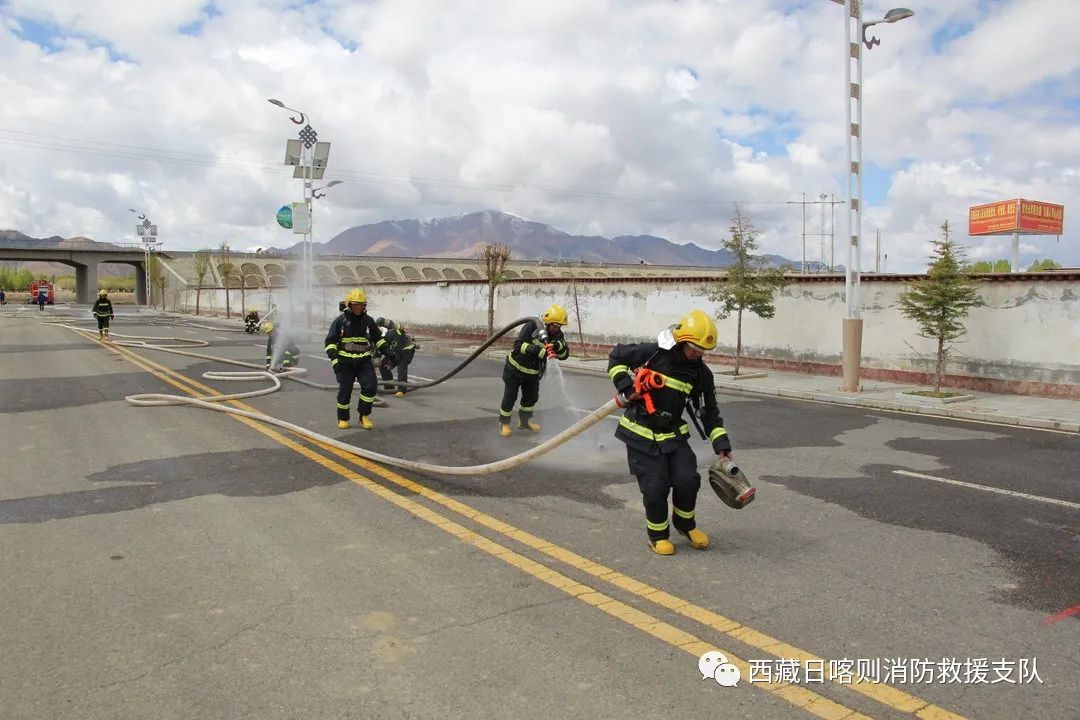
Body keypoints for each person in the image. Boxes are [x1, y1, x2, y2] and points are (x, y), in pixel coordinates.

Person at [607, 309, 733, 556]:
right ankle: (657, 536)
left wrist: (722, 445)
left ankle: (685, 525)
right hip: (640, 432)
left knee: (688, 480)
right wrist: (626, 386)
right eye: (694, 348)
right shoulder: (654, 353)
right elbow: (616, 357)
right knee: (656, 487)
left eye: (703, 350)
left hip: (673, 434)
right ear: (682, 340)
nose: (698, 354)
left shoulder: (701, 374)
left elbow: (709, 412)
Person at [498, 304, 570, 437]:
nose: (557, 329)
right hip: (515, 369)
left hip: (532, 373)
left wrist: (558, 346)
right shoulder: (532, 325)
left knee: (530, 399)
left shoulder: (557, 335)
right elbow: (518, 345)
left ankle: (524, 422)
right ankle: (504, 423)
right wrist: (538, 351)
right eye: (555, 326)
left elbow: (564, 356)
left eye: (559, 326)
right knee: (510, 397)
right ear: (548, 322)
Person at [325, 288, 386, 430]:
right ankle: (343, 418)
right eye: (355, 304)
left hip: (364, 361)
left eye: (361, 305)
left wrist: (388, 351)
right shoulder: (340, 322)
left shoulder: (368, 321)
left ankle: (363, 416)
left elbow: (378, 339)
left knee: (370, 387)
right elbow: (330, 343)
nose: (359, 307)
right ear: (349, 305)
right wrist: (335, 361)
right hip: (345, 362)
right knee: (345, 390)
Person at [375, 317, 418, 398]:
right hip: (396, 352)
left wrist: (390, 362)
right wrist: (376, 359)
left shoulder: (392, 333)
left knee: (401, 368)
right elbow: (379, 349)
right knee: (383, 366)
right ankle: (389, 387)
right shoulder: (381, 337)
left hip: (406, 351)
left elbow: (395, 348)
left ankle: (402, 391)